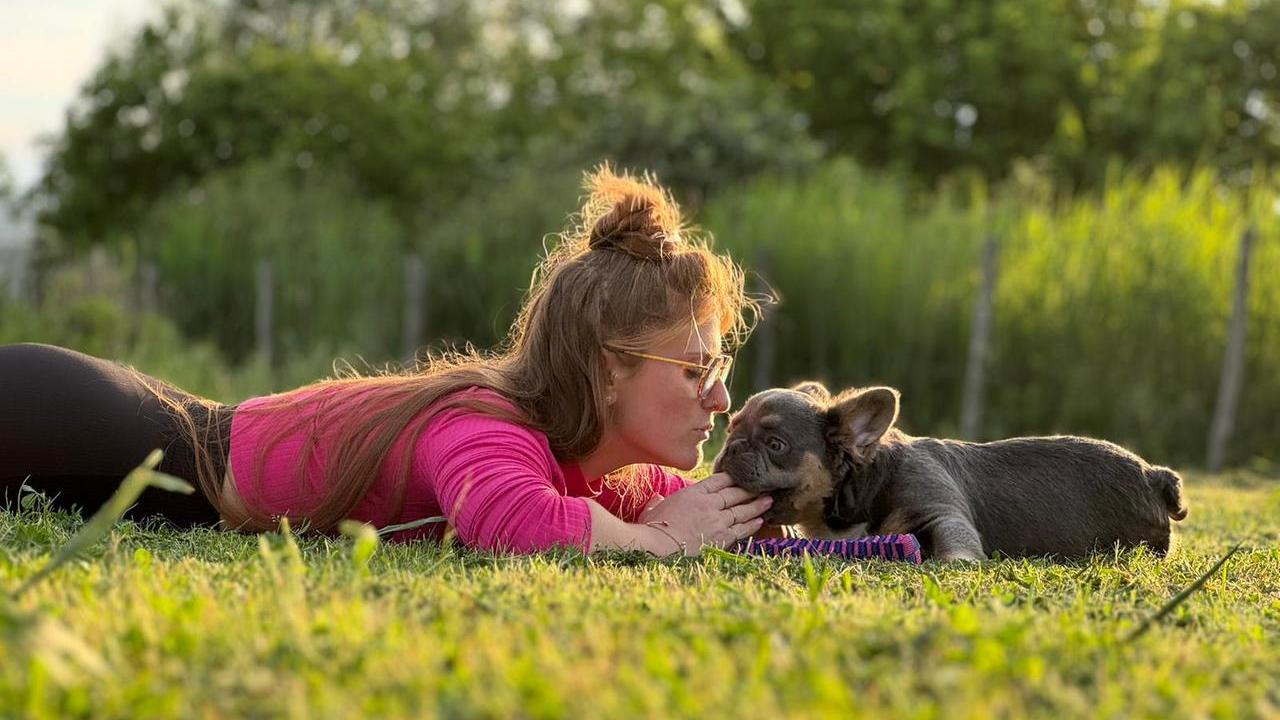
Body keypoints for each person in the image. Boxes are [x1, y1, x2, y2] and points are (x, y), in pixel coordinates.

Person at [0, 166, 774, 556]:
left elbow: (712, 509)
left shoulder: (609, 476)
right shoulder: (489, 426)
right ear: (609, 369)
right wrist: (661, 542)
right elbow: (510, 520)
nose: (719, 397)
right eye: (694, 368)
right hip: (110, 434)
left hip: (153, 452)